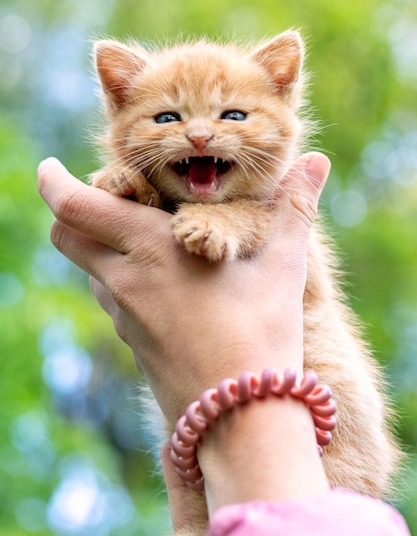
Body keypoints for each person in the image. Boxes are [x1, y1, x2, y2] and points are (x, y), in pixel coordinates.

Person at [38, 153, 410, 536]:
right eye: (168, 118)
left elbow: (307, 286)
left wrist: (239, 410)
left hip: (332, 456)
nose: (200, 134)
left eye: (232, 115)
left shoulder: (269, 199)